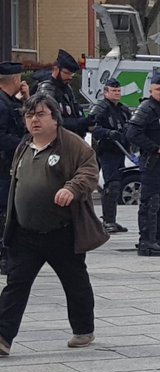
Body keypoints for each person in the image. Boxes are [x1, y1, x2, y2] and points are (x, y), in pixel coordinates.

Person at [0, 92, 108, 357]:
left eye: (40, 114)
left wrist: (71, 188)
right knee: (16, 284)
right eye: (29, 115)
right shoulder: (24, 145)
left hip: (62, 231)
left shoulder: (72, 145)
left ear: (55, 118)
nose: (34, 120)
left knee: (75, 282)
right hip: (26, 234)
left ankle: (83, 329)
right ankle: (3, 337)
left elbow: (89, 171)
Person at [125, 73, 160, 256]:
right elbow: (132, 133)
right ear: (151, 90)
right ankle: (147, 242)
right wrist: (155, 148)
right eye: (159, 89)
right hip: (152, 163)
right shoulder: (146, 108)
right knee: (150, 203)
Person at [88, 79, 131, 234]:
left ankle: (111, 219)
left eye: (118, 91)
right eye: (114, 91)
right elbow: (91, 126)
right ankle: (108, 221)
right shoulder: (100, 108)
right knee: (111, 186)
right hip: (106, 151)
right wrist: (107, 133)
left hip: (120, 151)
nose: (117, 93)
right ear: (106, 92)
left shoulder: (123, 110)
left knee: (116, 185)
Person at [0, 62, 25, 275]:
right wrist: (24, 144)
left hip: (7, 166)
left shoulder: (8, 101)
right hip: (3, 167)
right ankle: (4, 258)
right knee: (4, 213)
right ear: (15, 79)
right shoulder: (2, 104)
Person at [37, 50, 87, 138]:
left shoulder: (67, 88)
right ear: (56, 69)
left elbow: (75, 108)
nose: (70, 77)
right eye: (67, 73)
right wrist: (77, 123)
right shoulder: (47, 89)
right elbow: (50, 119)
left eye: (72, 74)